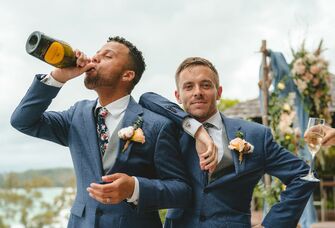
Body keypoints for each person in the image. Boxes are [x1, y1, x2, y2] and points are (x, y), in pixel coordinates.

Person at [10, 36, 198, 228]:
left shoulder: (157, 125)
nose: (94, 58)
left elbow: (182, 191)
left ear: (127, 75)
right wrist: (59, 76)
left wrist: (135, 188)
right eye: (96, 53)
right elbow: (23, 121)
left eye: (107, 56)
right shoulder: (77, 115)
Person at [139, 57, 318, 228]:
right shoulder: (170, 131)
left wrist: (272, 224)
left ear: (219, 92)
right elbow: (147, 98)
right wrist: (197, 130)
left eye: (206, 85)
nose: (197, 92)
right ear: (177, 96)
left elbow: (302, 175)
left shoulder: (255, 135)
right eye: (188, 87)